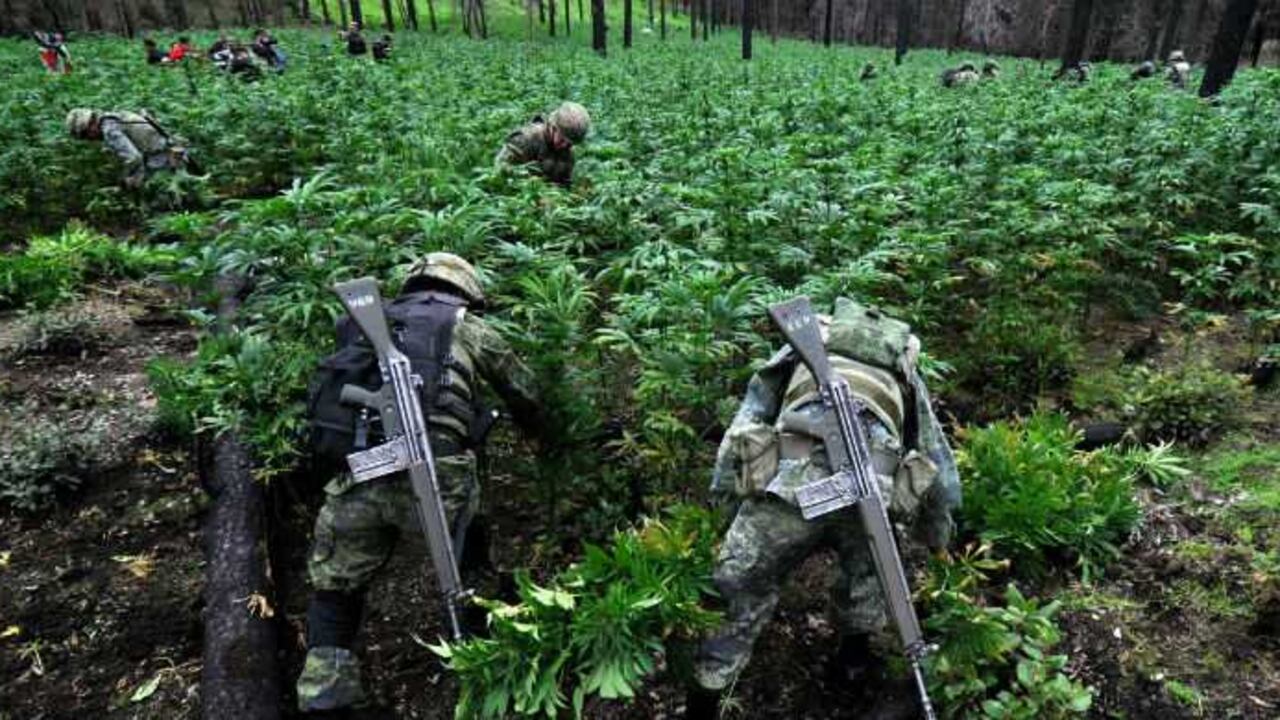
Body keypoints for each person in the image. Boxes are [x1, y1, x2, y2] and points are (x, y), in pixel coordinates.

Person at [686, 298, 961, 717]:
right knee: (869, 576)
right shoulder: (903, 366)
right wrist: (939, 537)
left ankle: (706, 694)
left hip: (792, 488)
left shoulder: (801, 348)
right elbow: (937, 462)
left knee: (741, 585)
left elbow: (745, 422)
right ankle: (853, 662)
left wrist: (722, 507)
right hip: (874, 488)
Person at [296, 253, 545, 717]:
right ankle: (484, 661)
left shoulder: (360, 323)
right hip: (437, 478)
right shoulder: (467, 326)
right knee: (468, 558)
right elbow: (526, 393)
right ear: (467, 290)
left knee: (336, 585)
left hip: (360, 472)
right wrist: (546, 435)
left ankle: (324, 692)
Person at [65, 108, 194, 189]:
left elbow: (134, 158)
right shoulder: (115, 117)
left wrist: (128, 178)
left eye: (85, 135)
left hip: (164, 161)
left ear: (89, 126)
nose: (89, 139)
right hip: (175, 153)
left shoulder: (109, 130)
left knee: (160, 204)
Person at [495, 102, 592, 188]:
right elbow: (500, 172)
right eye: (562, 139)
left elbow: (563, 184)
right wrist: (531, 186)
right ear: (553, 127)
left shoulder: (568, 153)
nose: (565, 146)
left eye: (570, 144)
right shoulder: (525, 139)